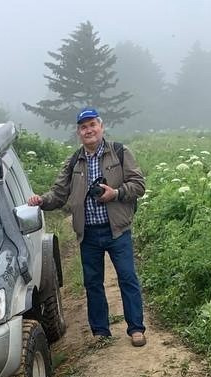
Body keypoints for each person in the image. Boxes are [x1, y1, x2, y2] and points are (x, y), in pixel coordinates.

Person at [28, 108, 147, 348]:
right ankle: (100, 332)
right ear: (78, 132)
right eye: (83, 127)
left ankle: (136, 329)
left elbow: (138, 185)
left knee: (127, 279)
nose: (89, 130)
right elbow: (59, 194)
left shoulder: (120, 153)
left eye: (92, 124)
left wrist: (115, 193)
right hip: (89, 234)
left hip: (117, 230)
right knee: (92, 284)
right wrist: (41, 201)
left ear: (101, 127)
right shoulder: (73, 161)